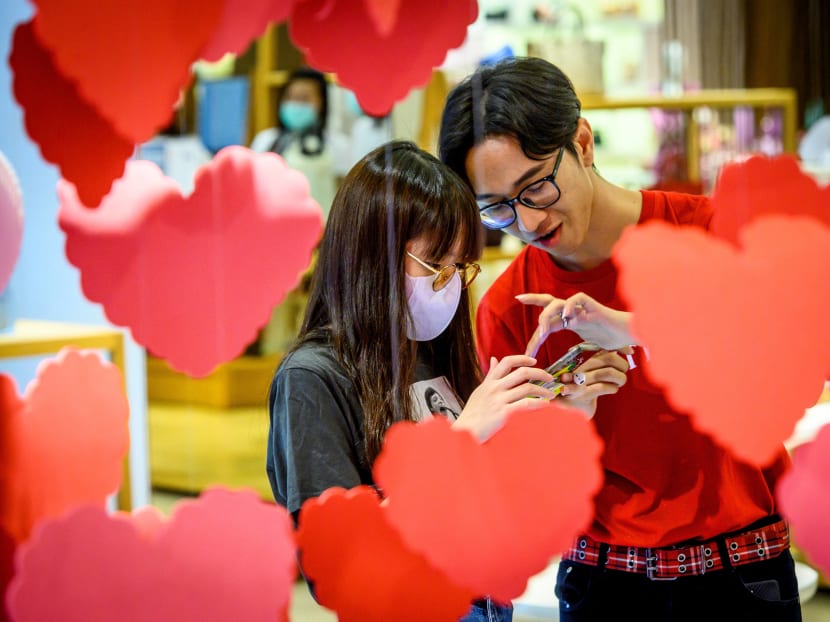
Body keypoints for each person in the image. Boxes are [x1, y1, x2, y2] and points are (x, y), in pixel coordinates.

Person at [437, 56, 801, 622]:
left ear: (582, 143)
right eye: (498, 209)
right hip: (602, 585)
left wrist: (632, 327)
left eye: (536, 187)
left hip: (742, 573)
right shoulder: (511, 308)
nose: (527, 223)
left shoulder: (709, 233)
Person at [266, 140, 628, 621]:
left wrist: (569, 413)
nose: (451, 283)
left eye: (460, 266)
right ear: (372, 254)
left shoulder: (433, 352)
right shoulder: (312, 378)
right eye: (437, 265)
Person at [250, 66, 337, 218]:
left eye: (304, 98)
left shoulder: (335, 145)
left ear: (322, 102)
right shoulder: (265, 140)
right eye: (290, 97)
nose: (295, 103)